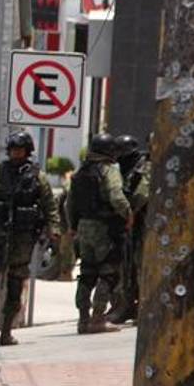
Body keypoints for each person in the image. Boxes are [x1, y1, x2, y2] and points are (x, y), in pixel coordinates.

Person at [0, 130, 60, 346]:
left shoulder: (38, 178)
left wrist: (54, 232)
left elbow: (50, 208)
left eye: (20, 150)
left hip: (22, 238)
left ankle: (7, 331)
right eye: (13, 150)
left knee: (15, 286)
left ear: (27, 152)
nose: (16, 154)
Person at [67, 133, 133, 334]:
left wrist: (73, 226)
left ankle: (83, 319)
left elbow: (70, 203)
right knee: (108, 273)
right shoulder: (109, 170)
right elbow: (116, 197)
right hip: (105, 227)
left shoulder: (80, 173)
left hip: (84, 228)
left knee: (87, 273)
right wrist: (128, 215)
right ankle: (98, 318)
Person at [106, 134, 150, 324]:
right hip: (129, 224)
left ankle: (142, 307)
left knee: (141, 267)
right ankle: (125, 305)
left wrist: (128, 212)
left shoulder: (144, 166)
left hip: (142, 224)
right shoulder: (121, 170)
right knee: (125, 266)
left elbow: (142, 194)